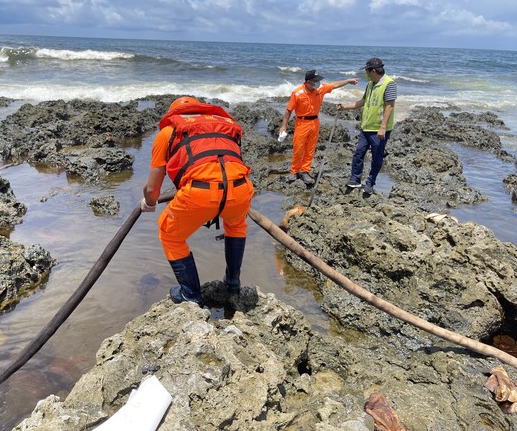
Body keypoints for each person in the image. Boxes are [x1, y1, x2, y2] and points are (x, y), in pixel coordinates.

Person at [141, 97, 254, 306]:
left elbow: (152, 189)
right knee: (236, 225)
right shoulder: (225, 127)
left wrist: (148, 203)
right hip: (240, 188)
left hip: (199, 192)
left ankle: (190, 294)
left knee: (169, 234)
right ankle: (232, 284)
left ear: (174, 114)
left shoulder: (168, 132)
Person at [279, 70, 358, 185]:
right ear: (307, 82)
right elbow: (288, 110)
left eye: (318, 81)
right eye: (315, 81)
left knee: (310, 149)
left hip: (315, 122)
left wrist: (348, 81)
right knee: (298, 148)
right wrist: (283, 126)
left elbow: (334, 85)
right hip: (301, 123)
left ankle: (305, 171)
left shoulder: (320, 89)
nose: (317, 83)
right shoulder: (297, 93)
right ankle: (294, 172)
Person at [337, 57, 397, 195]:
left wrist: (382, 127)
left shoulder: (389, 84)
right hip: (366, 127)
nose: (366, 73)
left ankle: (370, 182)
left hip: (379, 129)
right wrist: (344, 107)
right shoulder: (370, 84)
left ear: (373, 71)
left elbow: (389, 106)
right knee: (359, 153)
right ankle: (355, 179)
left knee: (377, 157)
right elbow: (362, 102)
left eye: (367, 70)